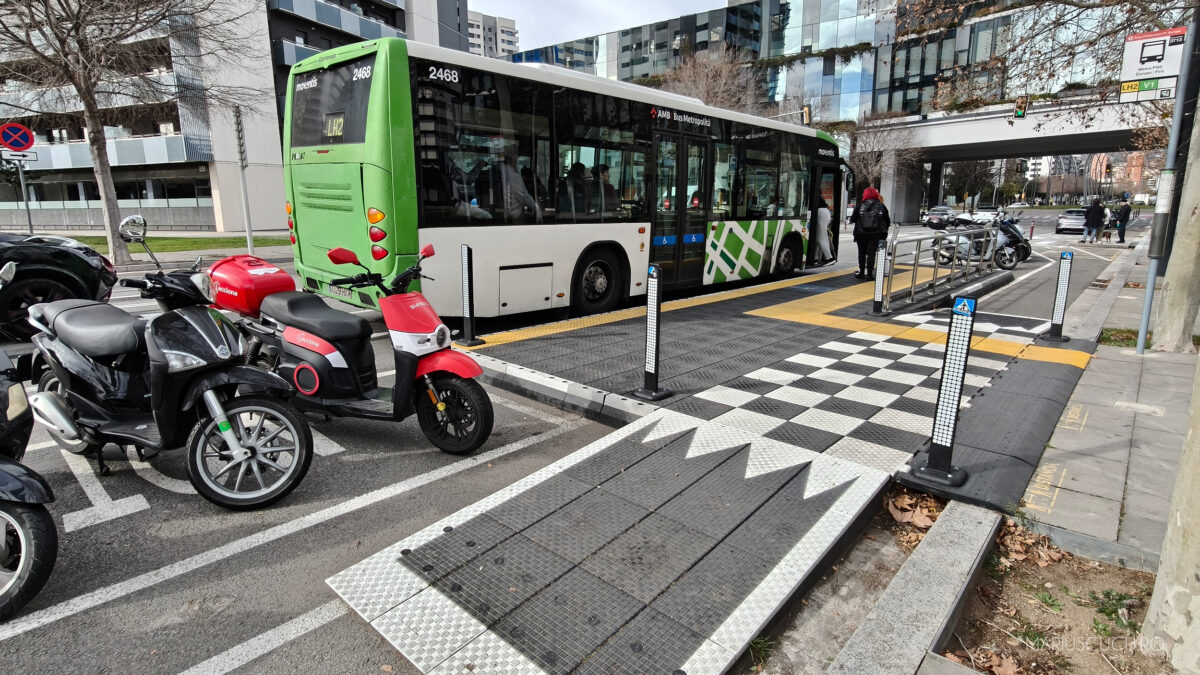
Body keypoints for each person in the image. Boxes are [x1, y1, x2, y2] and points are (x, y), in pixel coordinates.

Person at [850, 187, 889, 280]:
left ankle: (862, 272)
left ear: (865, 194)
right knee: (872, 253)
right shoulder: (881, 206)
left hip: (861, 233)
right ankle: (870, 274)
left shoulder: (860, 205)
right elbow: (887, 220)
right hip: (876, 233)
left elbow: (853, 219)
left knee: (861, 253)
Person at [496, 151, 541, 223]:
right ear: (512, 159)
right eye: (516, 157)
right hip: (514, 218)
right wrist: (537, 208)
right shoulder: (513, 175)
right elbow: (525, 198)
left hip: (499, 215)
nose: (516, 160)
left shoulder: (499, 170)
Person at [813, 198, 834, 265]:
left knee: (819, 239)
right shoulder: (820, 198)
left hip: (820, 213)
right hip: (826, 212)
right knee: (823, 237)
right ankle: (815, 258)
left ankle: (829, 258)